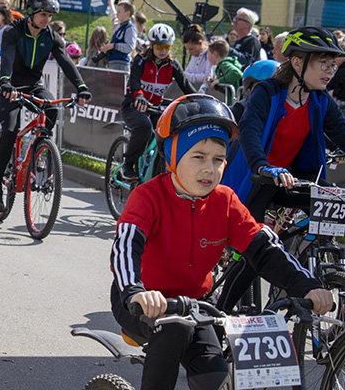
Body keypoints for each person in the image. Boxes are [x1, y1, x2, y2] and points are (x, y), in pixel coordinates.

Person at [110, 93, 333, 390]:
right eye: (198, 157)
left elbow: (264, 248)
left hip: (197, 304)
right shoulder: (148, 197)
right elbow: (126, 246)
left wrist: (307, 286)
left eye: (218, 159)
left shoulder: (225, 201)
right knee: (173, 330)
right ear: (173, 156)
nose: (209, 169)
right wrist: (135, 291)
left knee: (214, 378)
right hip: (142, 301)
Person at [218, 26, 345, 313]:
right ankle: (220, 319)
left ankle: (313, 269)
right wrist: (262, 165)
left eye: (332, 64)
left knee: (327, 202)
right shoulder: (267, 93)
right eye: (323, 62)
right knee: (256, 253)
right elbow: (250, 131)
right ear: (297, 62)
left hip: (291, 181)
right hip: (257, 179)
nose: (329, 70)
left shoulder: (320, 100)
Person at [0, 0, 91, 212]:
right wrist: (5, 82)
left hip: (34, 86)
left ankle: (40, 150)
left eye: (50, 15)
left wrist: (81, 87)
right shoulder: (13, 31)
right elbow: (6, 59)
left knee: (52, 108)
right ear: (31, 12)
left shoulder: (51, 36)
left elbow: (66, 63)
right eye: (43, 14)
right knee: (9, 130)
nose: (47, 19)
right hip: (10, 88)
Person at [119, 23, 195, 180]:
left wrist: (199, 100)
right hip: (134, 105)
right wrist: (139, 96)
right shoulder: (141, 60)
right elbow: (133, 81)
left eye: (167, 47)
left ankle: (160, 173)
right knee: (144, 127)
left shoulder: (172, 64)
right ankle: (128, 164)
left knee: (170, 131)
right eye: (159, 46)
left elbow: (186, 85)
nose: (163, 51)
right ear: (152, 45)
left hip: (155, 107)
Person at [106, 0, 137, 71]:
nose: (117, 14)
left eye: (119, 12)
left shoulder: (130, 28)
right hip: (114, 62)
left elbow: (129, 46)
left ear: (127, 13)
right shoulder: (121, 27)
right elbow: (114, 19)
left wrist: (113, 46)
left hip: (121, 64)